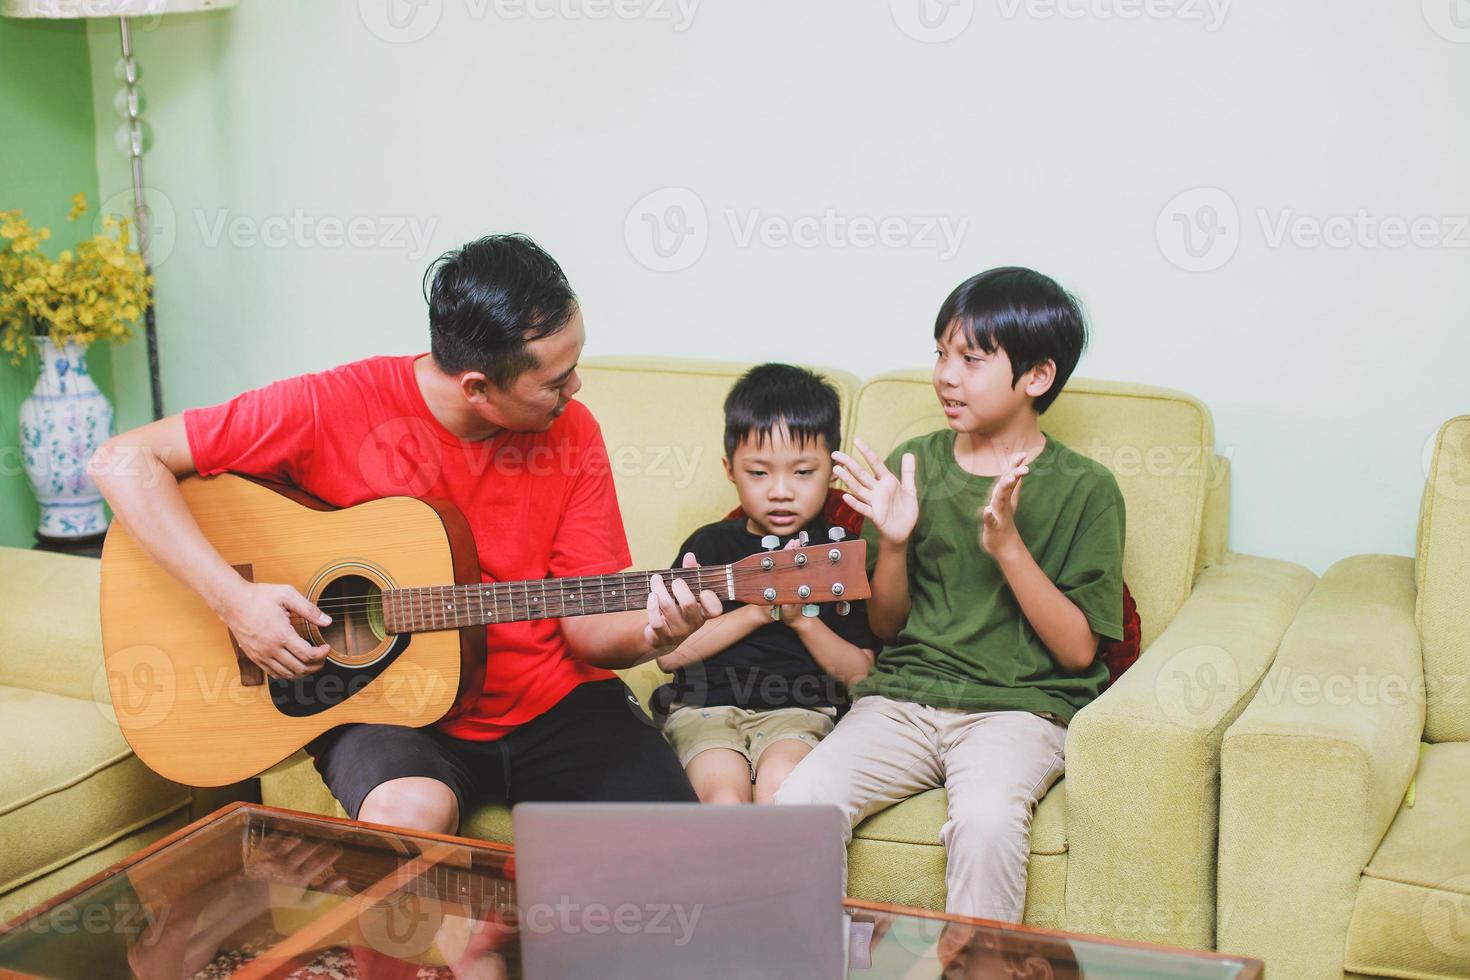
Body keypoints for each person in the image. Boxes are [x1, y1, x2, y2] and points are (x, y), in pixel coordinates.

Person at [91, 234, 719, 835]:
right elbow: (120, 462)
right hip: (384, 708)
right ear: (477, 388)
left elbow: (588, 628)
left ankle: (497, 932)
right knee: (406, 815)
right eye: (557, 380)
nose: (575, 390)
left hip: (553, 703)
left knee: (674, 855)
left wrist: (654, 631)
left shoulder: (574, 433)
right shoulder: (327, 406)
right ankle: (457, 939)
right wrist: (234, 600)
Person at [774, 267, 1126, 923]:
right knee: (799, 806)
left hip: (1017, 709)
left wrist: (1009, 548)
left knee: (988, 823)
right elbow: (885, 625)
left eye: (971, 358)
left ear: (1037, 376)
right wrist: (898, 540)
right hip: (902, 699)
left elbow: (1079, 653)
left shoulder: (1087, 489)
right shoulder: (916, 463)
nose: (945, 375)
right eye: (940, 352)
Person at [652, 363, 880, 804]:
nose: (780, 491)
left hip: (800, 710)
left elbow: (860, 674)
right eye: (759, 472)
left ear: (832, 471)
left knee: (782, 784)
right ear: (729, 469)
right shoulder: (710, 544)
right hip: (705, 709)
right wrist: (757, 611)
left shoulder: (838, 555)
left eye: (802, 472)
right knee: (722, 794)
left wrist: (801, 621)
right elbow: (669, 656)